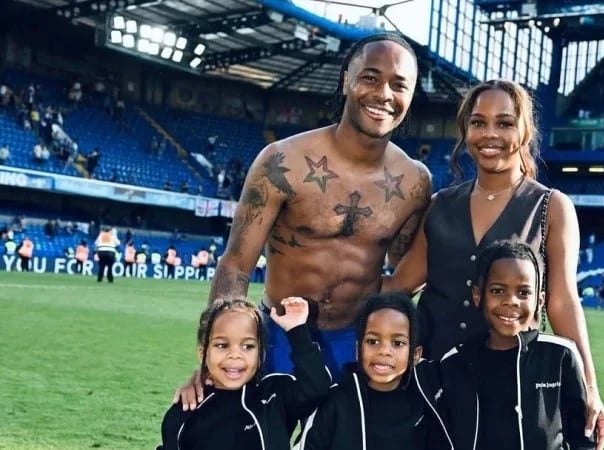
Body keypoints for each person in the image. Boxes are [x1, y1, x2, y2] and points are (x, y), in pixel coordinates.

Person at [174, 32, 431, 408]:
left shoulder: (414, 182)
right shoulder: (282, 161)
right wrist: (216, 353)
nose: (383, 94)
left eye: (399, 85)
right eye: (371, 78)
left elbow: (401, 276)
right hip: (279, 336)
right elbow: (237, 263)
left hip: (357, 342)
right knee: (255, 434)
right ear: (346, 80)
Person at [381, 79, 604, 447]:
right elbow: (399, 284)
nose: (490, 134)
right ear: (465, 130)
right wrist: (331, 284)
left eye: (504, 123)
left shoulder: (551, 207)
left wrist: (591, 388)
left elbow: (563, 301)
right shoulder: (440, 205)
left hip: (513, 380)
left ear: (524, 131)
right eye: (478, 122)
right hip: (437, 379)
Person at [436, 239, 596, 450]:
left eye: (524, 293)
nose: (511, 301)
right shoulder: (456, 362)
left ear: (539, 300)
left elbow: (581, 437)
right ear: (477, 295)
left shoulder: (560, 355)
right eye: (498, 290)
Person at [159, 297, 331, 450]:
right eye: (222, 345)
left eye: (248, 346)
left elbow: (316, 386)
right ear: (203, 353)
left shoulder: (273, 395)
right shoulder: (186, 411)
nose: (235, 355)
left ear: (260, 354)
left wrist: (297, 331)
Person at [297, 293, 452, 450]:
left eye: (397, 343)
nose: (384, 351)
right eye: (373, 341)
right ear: (358, 348)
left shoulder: (426, 398)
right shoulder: (335, 403)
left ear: (415, 355)